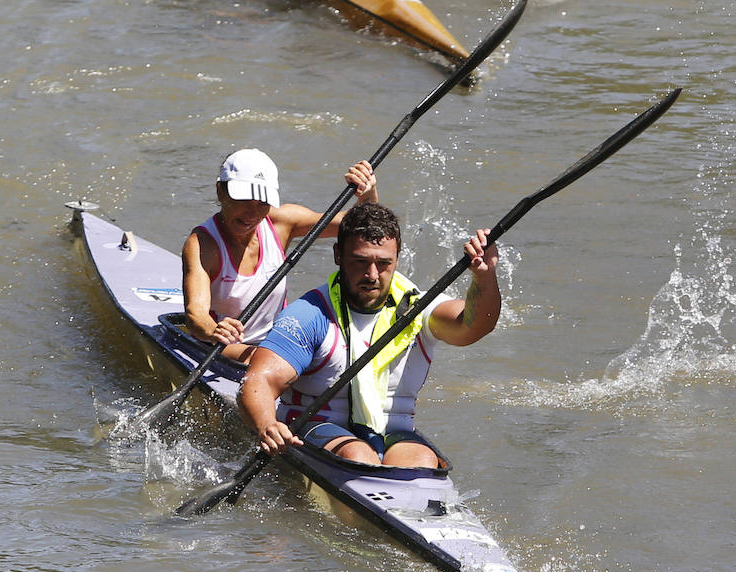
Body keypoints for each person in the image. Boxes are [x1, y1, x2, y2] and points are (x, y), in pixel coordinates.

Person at [238, 202, 500, 468]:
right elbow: (258, 381)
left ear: (397, 258)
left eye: (384, 263)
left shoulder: (417, 308)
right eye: (360, 261)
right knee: (359, 456)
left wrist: (485, 278)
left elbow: (475, 325)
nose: (372, 275)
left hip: (391, 433)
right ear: (338, 255)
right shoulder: (308, 315)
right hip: (316, 425)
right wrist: (267, 425)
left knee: (423, 460)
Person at [182, 148, 378, 365]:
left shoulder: (281, 222)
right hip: (222, 348)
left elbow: (361, 225)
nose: (252, 214)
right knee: (280, 360)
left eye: (262, 203)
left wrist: (367, 194)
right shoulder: (203, 244)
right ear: (221, 191)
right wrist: (213, 331)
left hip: (274, 343)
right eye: (244, 200)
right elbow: (195, 315)